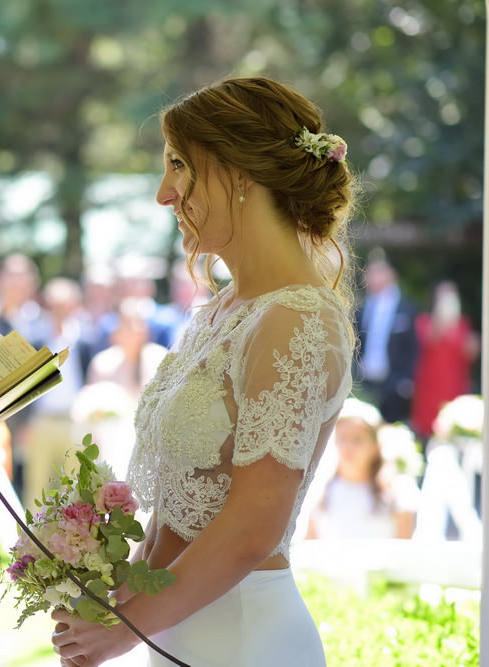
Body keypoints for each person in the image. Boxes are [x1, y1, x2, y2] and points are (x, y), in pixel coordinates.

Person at [51, 77, 357, 666]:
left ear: (240, 172)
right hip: (176, 629)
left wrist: (124, 629)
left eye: (178, 165)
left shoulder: (296, 320)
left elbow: (252, 526)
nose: (165, 193)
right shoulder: (222, 310)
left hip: (242, 635)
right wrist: (105, 587)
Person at [304, 398, 419, 540]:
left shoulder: (398, 491)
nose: (348, 447)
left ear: (375, 446)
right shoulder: (320, 491)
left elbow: (405, 547)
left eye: (357, 440)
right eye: (342, 439)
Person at [353, 251, 419, 425]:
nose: (370, 276)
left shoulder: (406, 307)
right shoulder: (362, 307)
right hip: (365, 382)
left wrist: (405, 381)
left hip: (394, 385)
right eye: (369, 272)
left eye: (377, 272)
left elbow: (413, 347)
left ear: (390, 274)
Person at [409, 280, 479, 441]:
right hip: (430, 385)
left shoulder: (463, 324)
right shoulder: (425, 321)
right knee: (428, 427)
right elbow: (428, 339)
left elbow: (469, 354)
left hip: (454, 384)